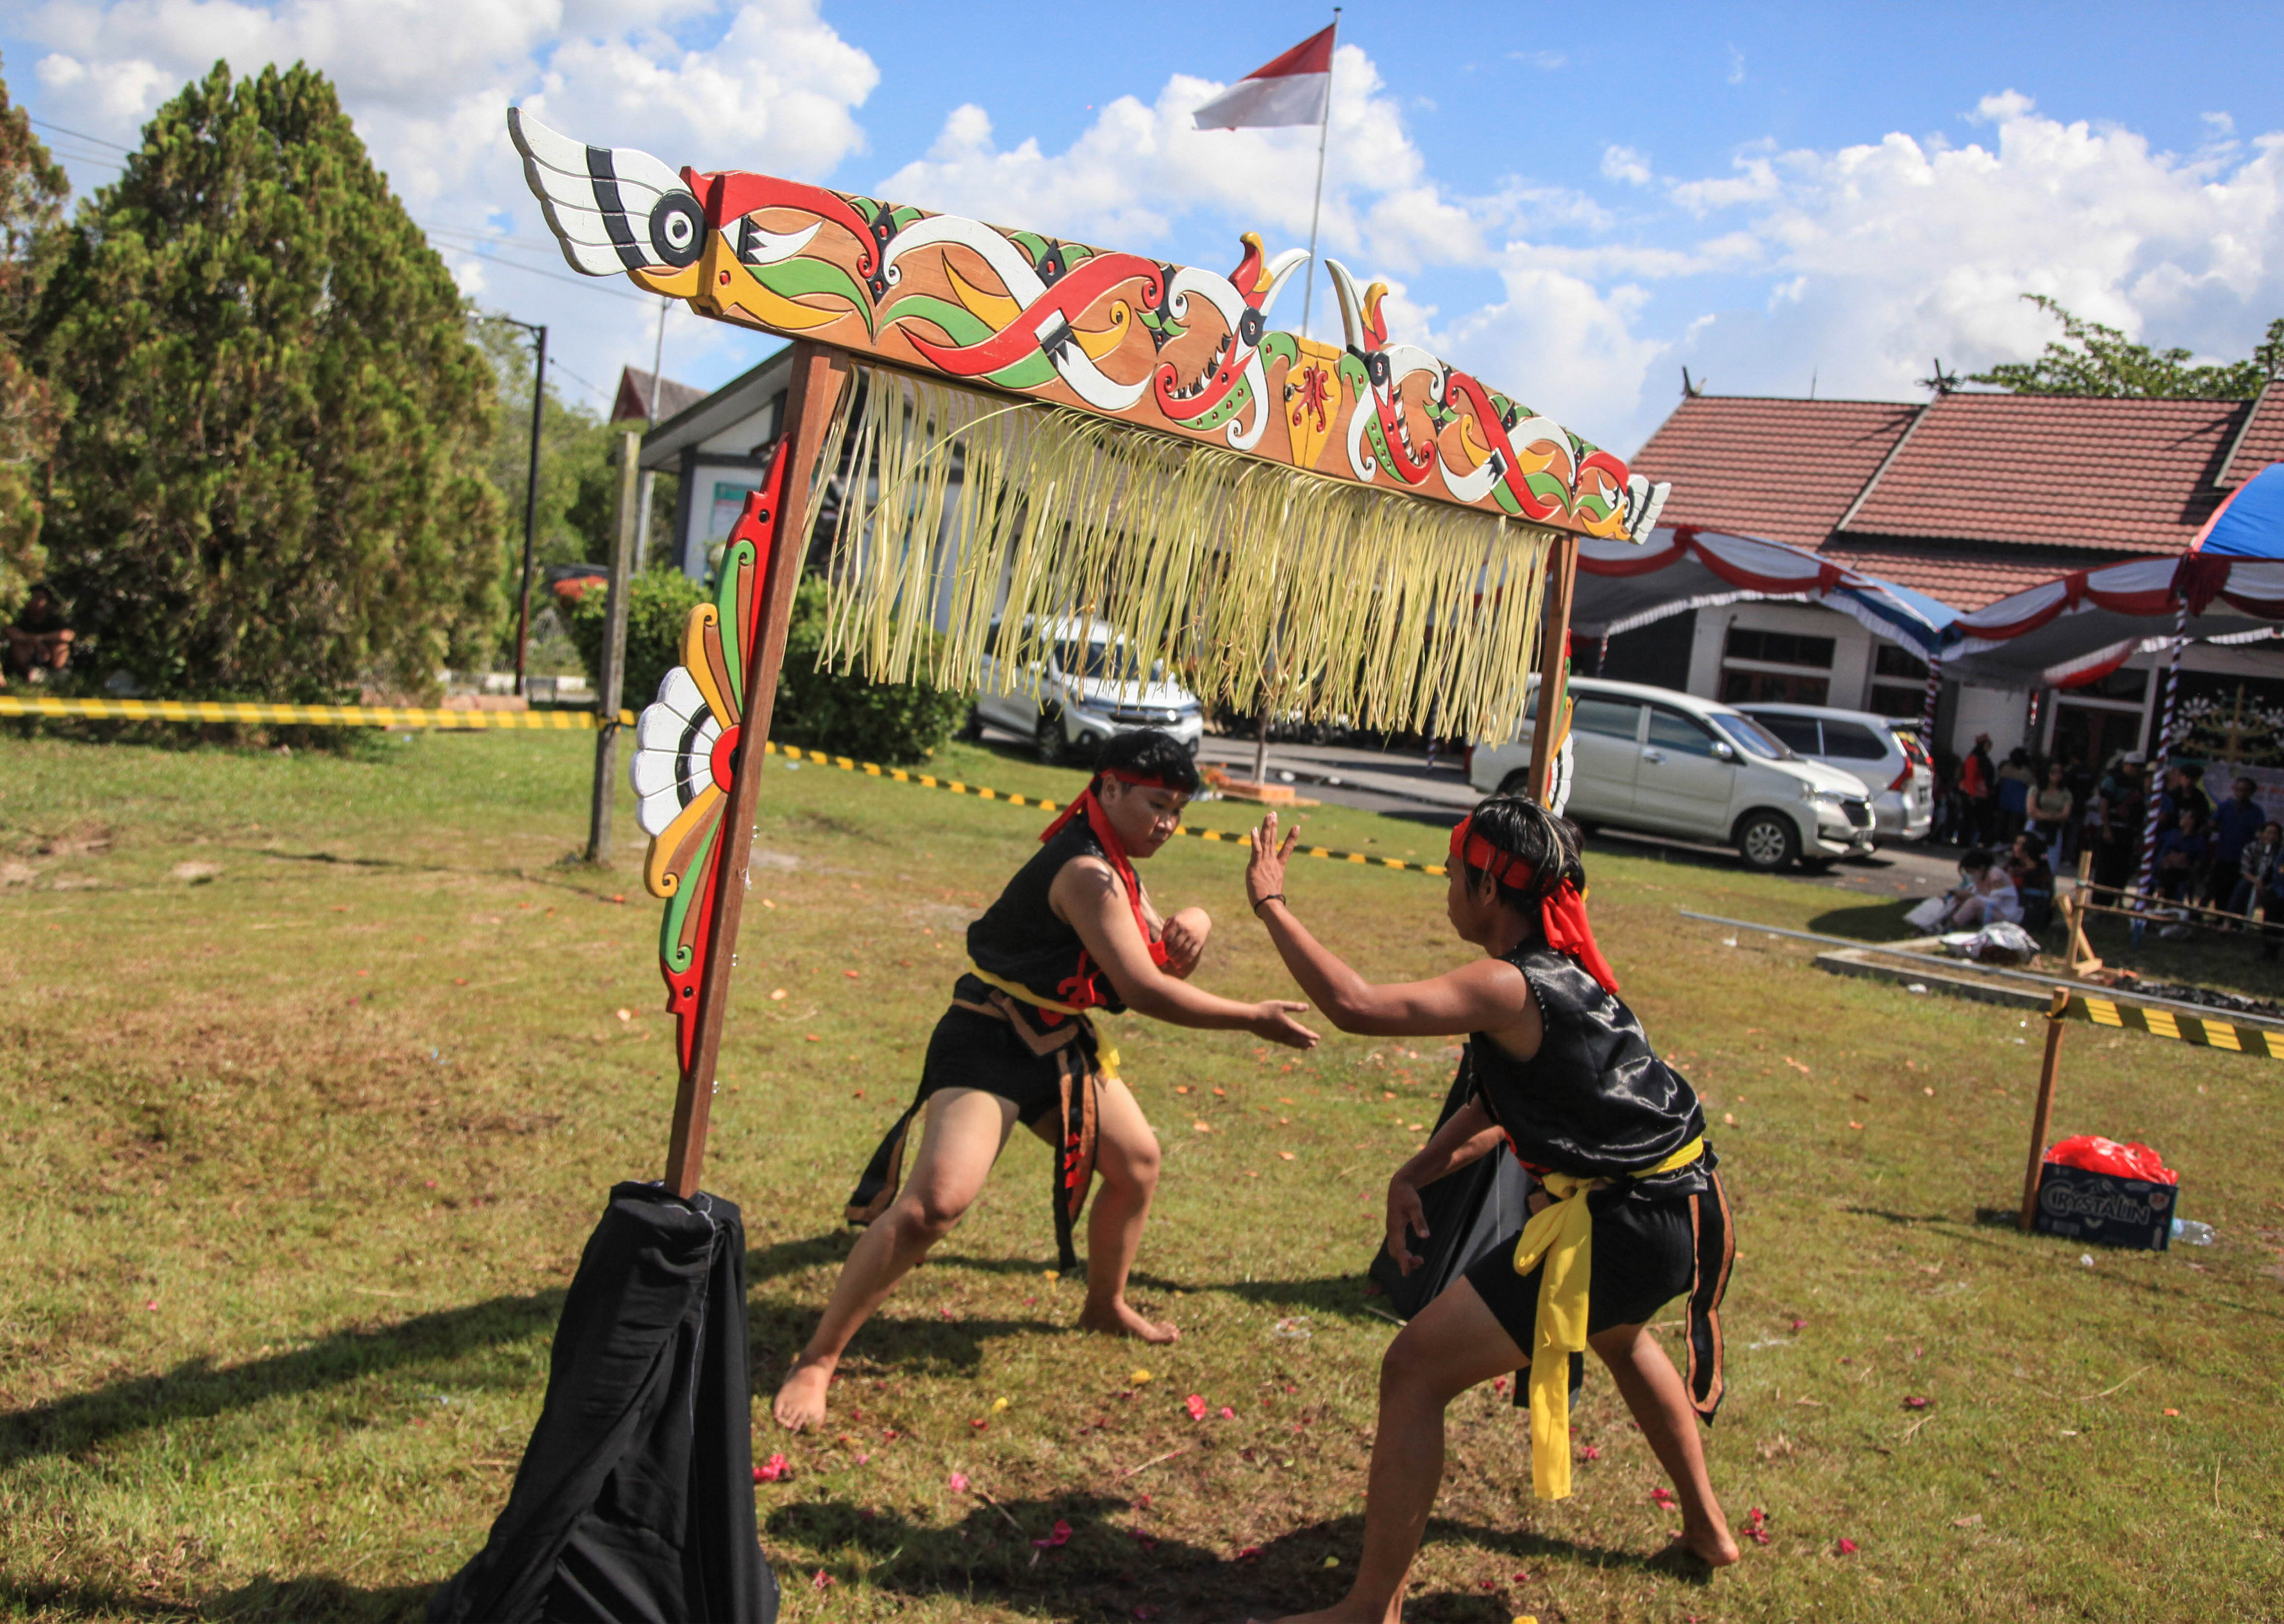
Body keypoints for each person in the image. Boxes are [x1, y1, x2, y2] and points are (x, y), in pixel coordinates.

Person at [1245, 796, 1739, 1619]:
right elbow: (1504, 1103)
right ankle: (1707, 1529)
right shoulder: (1563, 968)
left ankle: (1370, 1607)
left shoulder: (1508, 982)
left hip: (1627, 1221)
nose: (1444, 886)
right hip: (1680, 1209)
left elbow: (1357, 1005)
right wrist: (1417, 1167)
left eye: (1450, 873)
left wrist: (1269, 901)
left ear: (1486, 887)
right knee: (1617, 1332)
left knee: (1411, 1369)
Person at [771, 730, 1317, 1432]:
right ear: (1109, 789)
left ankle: (1104, 1304)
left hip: (1062, 1041)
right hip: (991, 1037)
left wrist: (1198, 920)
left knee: (1137, 1164)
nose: (1168, 824)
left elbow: (1158, 958)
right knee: (934, 1204)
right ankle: (818, 1357)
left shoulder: (1117, 860)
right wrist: (1251, 1017)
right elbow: (1145, 991)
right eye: (1157, 804)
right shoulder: (1084, 871)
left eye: (1179, 810)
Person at [2208, 777, 2265, 908]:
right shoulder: (2225, 807)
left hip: (2245, 859)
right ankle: (2220, 918)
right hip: (2224, 855)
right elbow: (2213, 824)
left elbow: (2260, 833)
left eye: (2246, 791)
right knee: (2221, 889)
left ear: (2252, 793)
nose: (2242, 793)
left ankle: (2234, 920)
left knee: (2239, 892)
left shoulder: (2257, 811)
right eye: (2239, 790)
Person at [1, 584, 74, 686]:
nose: (37, 602)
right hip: (29, 657)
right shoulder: (20, 617)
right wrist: (35, 643)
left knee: (62, 647)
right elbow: (10, 633)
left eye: (41, 598)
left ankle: (57, 676)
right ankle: (28, 673)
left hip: (50, 656)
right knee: (17, 646)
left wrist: (40, 639)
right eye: (34, 598)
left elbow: (68, 635)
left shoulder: (55, 619)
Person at [1935, 848, 2022, 931]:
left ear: (1982, 868)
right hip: (1990, 910)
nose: (1969, 875)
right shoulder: (1981, 876)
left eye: (1970, 871)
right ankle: (1938, 921)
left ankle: (1951, 927)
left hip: (2004, 915)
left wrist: (1971, 896)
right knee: (1960, 899)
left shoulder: (1995, 876)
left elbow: (1996, 902)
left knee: (1973, 902)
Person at [2153, 806, 2210, 904]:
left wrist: (2181, 861)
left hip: (2181, 874)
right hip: (2162, 869)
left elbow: (2196, 861)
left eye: (2186, 817)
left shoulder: (2198, 841)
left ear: (2192, 821)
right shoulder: (2173, 834)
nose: (2182, 818)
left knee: (2173, 876)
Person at [2228, 821, 2280, 924]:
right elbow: (2244, 870)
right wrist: (2256, 881)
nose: (2272, 836)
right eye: (2269, 833)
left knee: (2274, 895)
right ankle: (2229, 921)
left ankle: (2271, 929)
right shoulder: (2251, 848)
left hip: (2270, 883)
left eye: (2275, 834)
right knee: (2242, 886)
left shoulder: (2280, 853)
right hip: (2251, 880)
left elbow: (2280, 872)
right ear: (2262, 833)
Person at [2027, 762, 2076, 864]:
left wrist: (2047, 816)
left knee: (2051, 863)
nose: (2057, 775)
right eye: (2053, 772)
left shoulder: (2066, 793)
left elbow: (2066, 815)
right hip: (2036, 827)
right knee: (2032, 859)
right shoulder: (2036, 789)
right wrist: (2053, 816)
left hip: (2053, 830)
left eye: (2060, 772)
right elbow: (2032, 811)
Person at [2010, 832, 2056, 934]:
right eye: (2016, 843)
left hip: (2029, 913)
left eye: (2021, 844)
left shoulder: (2040, 873)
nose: (2017, 847)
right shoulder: (2013, 865)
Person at [1959, 735, 1996, 844]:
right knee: (1970, 820)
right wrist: (1971, 794)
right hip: (1973, 794)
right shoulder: (1974, 759)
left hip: (1980, 795)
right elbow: (1970, 778)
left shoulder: (1980, 758)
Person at [1996, 748, 2037, 842]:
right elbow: (2033, 786)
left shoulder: (2005, 769)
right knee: (2014, 828)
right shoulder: (2027, 773)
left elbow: (1999, 783)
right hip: (2019, 805)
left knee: (2001, 824)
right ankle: (2011, 845)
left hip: (2005, 802)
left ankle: (1998, 842)